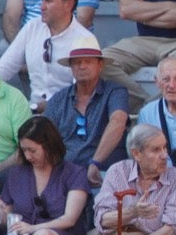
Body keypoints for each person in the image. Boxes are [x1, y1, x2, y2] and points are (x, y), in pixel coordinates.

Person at [44, 37, 129, 185]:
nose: (82, 66)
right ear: (71, 67)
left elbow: (118, 122)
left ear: (100, 65)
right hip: (66, 176)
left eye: (88, 61)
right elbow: (43, 137)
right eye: (76, 62)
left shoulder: (115, 91)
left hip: (106, 175)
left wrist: (95, 162)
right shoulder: (58, 100)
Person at [0, 0, 94, 110]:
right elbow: (3, 70)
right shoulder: (32, 27)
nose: (41, 7)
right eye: (42, 0)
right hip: (33, 114)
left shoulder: (84, 40)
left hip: (67, 116)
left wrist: (47, 107)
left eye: (48, 1)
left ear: (68, 4)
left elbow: (82, 94)